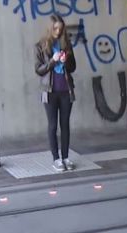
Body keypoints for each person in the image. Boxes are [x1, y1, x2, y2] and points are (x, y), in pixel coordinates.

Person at [35, 14, 77, 172]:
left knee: (65, 124)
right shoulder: (40, 46)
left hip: (66, 89)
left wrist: (66, 61)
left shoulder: (66, 44)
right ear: (50, 28)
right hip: (49, 91)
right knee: (53, 125)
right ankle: (56, 159)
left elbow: (73, 67)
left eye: (60, 28)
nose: (58, 31)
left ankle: (66, 157)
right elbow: (38, 70)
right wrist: (53, 60)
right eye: (55, 28)